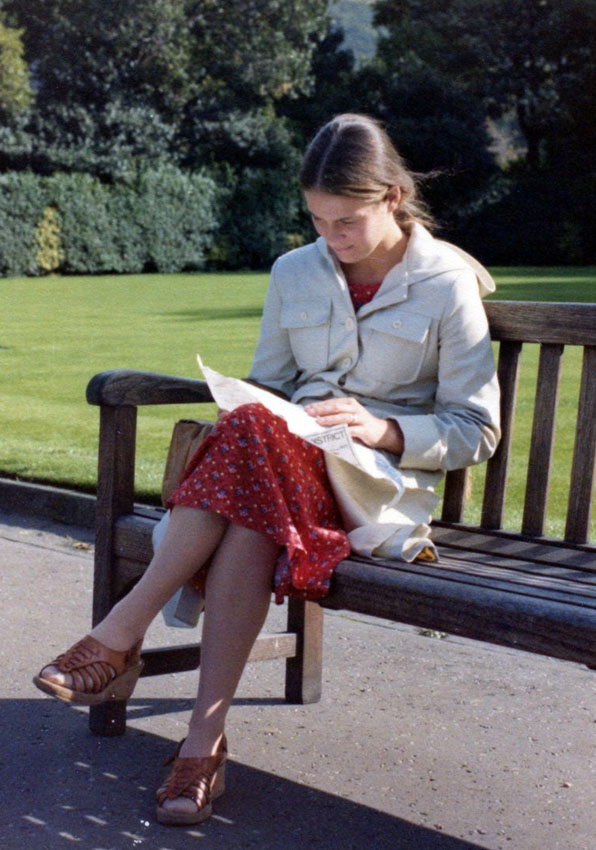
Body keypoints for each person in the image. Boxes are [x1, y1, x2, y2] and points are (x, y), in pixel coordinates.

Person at [33, 113, 500, 826]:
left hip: (374, 489)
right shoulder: (294, 272)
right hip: (279, 477)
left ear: (393, 197)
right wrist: (264, 410)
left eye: (347, 221)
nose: (332, 238)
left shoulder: (446, 284)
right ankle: (202, 744)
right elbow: (267, 388)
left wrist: (381, 427)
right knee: (253, 477)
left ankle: (121, 632)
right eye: (318, 220)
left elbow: (477, 429)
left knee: (252, 449)